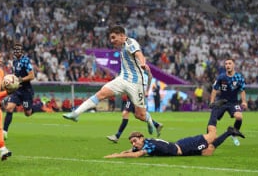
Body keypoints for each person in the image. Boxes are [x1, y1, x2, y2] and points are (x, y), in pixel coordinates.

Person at [63, 26, 156, 134]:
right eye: (110, 38)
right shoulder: (122, 47)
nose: (112, 41)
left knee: (140, 115)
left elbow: (139, 53)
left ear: (122, 35)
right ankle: (76, 113)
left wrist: (143, 63)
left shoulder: (130, 42)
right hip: (122, 79)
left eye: (113, 37)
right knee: (101, 93)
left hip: (135, 84)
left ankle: (149, 121)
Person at [104, 127, 245, 158]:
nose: (134, 144)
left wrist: (116, 156)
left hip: (186, 147)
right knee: (208, 150)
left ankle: (227, 130)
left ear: (141, 137)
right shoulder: (145, 143)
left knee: (211, 142)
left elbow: (136, 155)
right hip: (181, 146)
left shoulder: (149, 144)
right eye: (132, 142)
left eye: (135, 141)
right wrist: (121, 152)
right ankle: (229, 132)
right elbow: (131, 151)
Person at [107, 67, 163, 143]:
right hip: (136, 93)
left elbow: (150, 76)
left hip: (134, 94)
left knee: (125, 113)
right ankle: (156, 124)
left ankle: (117, 136)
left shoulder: (137, 66)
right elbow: (149, 76)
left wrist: (147, 90)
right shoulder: (131, 66)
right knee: (138, 115)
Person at [207, 58, 247, 146]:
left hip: (233, 102)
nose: (227, 65)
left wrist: (244, 101)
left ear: (233, 65)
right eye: (226, 64)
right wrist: (212, 101)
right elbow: (214, 89)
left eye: (229, 63)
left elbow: (242, 90)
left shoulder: (239, 77)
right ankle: (208, 139)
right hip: (221, 102)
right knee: (212, 119)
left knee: (239, 117)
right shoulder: (221, 77)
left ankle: (233, 134)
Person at [3, 43, 35, 139]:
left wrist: (20, 80)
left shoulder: (26, 61)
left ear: (22, 51)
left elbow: (32, 76)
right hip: (17, 90)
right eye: (15, 50)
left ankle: (39, 106)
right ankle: (4, 132)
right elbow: (16, 75)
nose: (16, 52)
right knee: (9, 108)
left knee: (27, 113)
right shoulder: (14, 61)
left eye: (18, 50)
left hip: (26, 91)